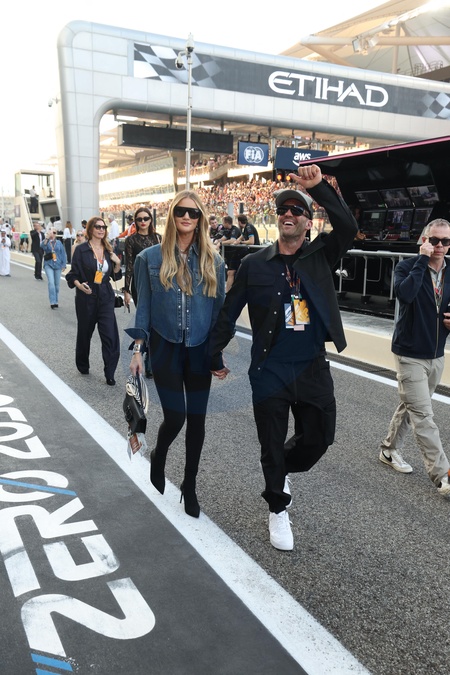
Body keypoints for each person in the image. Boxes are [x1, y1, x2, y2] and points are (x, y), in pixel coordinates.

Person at [209, 164, 357, 551]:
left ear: (308, 222)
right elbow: (228, 311)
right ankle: (277, 507)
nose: (288, 214)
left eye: (296, 210)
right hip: (269, 369)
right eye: (282, 210)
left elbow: (347, 226)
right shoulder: (254, 264)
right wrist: (214, 353)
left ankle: (282, 468)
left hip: (311, 366)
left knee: (320, 437)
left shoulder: (321, 255)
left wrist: (319, 188)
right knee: (271, 443)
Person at [126, 190, 226, 518]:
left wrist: (216, 355)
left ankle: (190, 485)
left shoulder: (214, 261)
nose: (186, 217)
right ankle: (159, 455)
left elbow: (218, 313)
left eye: (193, 213)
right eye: (181, 211)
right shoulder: (148, 259)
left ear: (200, 219)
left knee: (197, 421)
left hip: (199, 350)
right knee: (176, 417)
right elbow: (143, 309)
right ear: (172, 215)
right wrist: (138, 350)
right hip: (165, 347)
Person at [379, 218, 450, 496]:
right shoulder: (407, 267)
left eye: (446, 241)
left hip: (436, 354)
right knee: (423, 415)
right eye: (434, 240)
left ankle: (388, 450)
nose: (440, 246)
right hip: (409, 353)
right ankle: (443, 475)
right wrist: (422, 260)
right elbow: (405, 295)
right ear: (424, 240)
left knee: (412, 405)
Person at [66, 217, 122, 385]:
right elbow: (72, 274)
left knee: (110, 335)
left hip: (105, 295)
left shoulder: (108, 250)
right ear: (90, 229)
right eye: (98, 227)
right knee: (85, 333)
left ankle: (110, 372)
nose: (101, 229)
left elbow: (115, 276)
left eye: (103, 227)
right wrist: (79, 285)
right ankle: (83, 364)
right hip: (86, 295)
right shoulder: (81, 250)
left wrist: (117, 264)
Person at [123, 206, 161, 377]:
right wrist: (126, 290)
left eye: (146, 218)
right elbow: (129, 267)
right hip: (140, 286)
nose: (143, 221)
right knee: (145, 320)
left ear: (151, 220)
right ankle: (145, 358)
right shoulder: (131, 240)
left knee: (157, 323)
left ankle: (151, 360)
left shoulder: (158, 238)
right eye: (139, 219)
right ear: (135, 222)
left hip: (158, 285)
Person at [41, 228, 67, 308]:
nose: (53, 233)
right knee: (51, 283)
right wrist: (47, 238)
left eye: (55, 232)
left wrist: (64, 265)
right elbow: (42, 246)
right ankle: (52, 302)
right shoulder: (47, 241)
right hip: (49, 264)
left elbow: (63, 254)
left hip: (58, 264)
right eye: (52, 232)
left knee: (57, 285)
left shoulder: (59, 243)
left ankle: (56, 300)